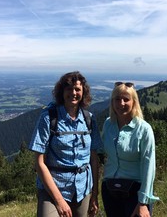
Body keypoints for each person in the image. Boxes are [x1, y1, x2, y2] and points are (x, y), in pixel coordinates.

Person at [29, 71, 103, 217]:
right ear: (62, 92)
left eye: (77, 89)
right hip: (53, 188)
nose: (73, 93)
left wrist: (95, 195)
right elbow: (39, 163)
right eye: (69, 89)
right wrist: (59, 201)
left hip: (82, 188)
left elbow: (94, 160)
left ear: (83, 92)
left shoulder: (89, 120)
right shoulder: (48, 118)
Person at [101, 81, 158, 217]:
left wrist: (143, 202)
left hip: (135, 191)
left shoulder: (144, 129)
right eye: (117, 99)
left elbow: (149, 166)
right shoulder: (108, 124)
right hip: (110, 189)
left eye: (126, 99)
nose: (121, 104)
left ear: (134, 102)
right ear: (112, 102)